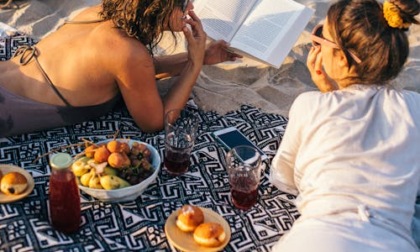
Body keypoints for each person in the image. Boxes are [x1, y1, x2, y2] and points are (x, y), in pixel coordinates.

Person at [269, 0, 420, 251]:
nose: (314, 43)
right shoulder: (415, 107)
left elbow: (283, 178)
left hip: (317, 239)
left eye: (320, 37)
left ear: (340, 58)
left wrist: (329, 97)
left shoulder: (310, 105)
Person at [0, 0, 241, 137]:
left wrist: (201, 56)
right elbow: (155, 123)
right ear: (157, 6)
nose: (191, 7)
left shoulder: (96, 13)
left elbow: (135, 73)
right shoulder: (127, 52)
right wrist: (193, 66)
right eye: (182, 2)